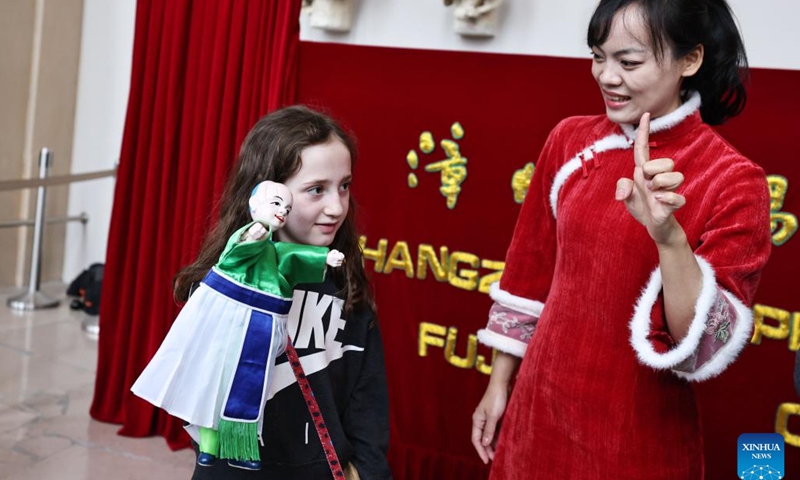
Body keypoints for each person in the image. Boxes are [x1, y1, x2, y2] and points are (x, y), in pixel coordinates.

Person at [470, 0, 771, 478]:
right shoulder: (570, 140)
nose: (607, 77)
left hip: (636, 431)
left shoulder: (733, 180)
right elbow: (528, 273)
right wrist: (499, 382)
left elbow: (704, 346)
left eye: (629, 62)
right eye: (598, 57)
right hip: (539, 410)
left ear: (689, 60)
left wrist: (669, 239)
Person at [160, 106, 389, 480]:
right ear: (268, 193)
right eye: (316, 190)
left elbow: (368, 397)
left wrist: (368, 470)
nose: (337, 207)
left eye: (344, 186)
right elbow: (197, 393)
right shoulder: (224, 287)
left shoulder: (347, 281)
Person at [131, 180, 346, 471]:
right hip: (228, 316)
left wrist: (325, 257)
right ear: (254, 205)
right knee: (209, 386)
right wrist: (253, 236)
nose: (282, 211)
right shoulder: (248, 237)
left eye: (286, 207)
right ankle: (209, 445)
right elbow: (237, 253)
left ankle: (241, 448)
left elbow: (291, 255)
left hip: (260, 322)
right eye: (275, 203)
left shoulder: (274, 250)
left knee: (245, 391)